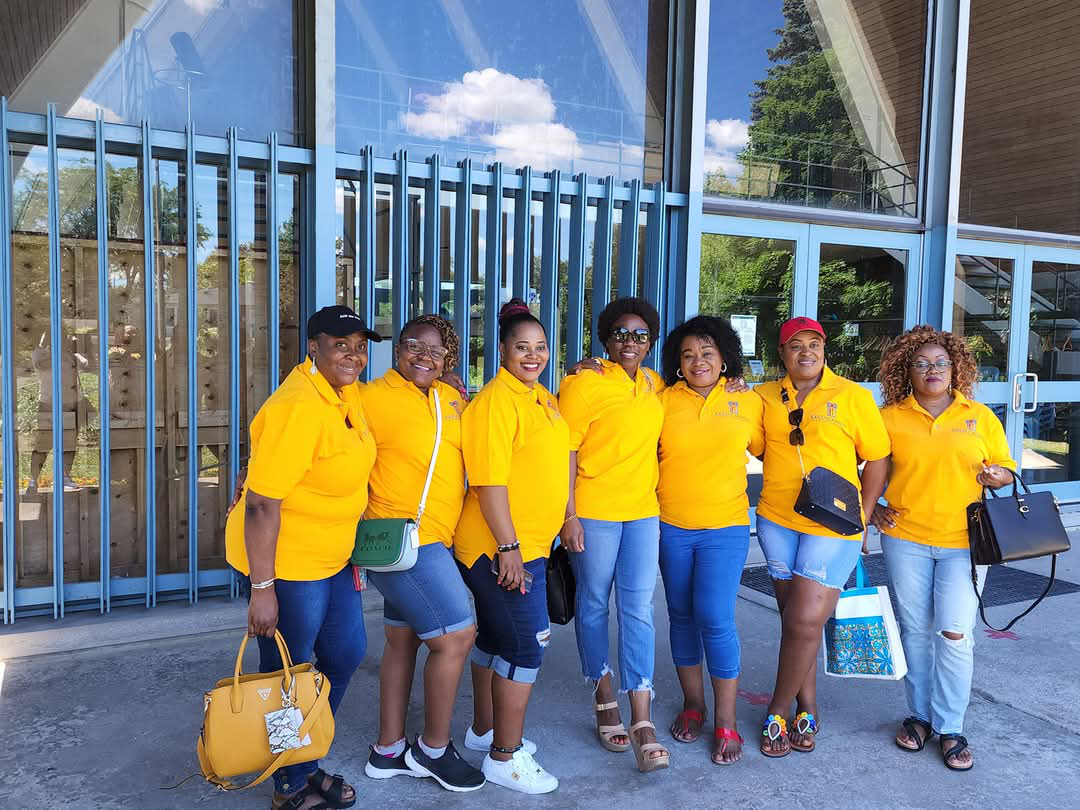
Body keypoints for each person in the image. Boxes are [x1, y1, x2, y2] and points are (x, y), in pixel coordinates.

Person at [224, 305, 379, 810]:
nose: (353, 355)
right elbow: (262, 504)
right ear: (313, 347)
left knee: (344, 654)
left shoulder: (344, 393)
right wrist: (262, 589)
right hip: (287, 563)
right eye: (340, 345)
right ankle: (288, 784)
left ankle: (305, 759)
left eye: (360, 346)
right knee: (288, 672)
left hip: (332, 556)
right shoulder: (299, 404)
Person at [871, 326, 1015, 772]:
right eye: (921, 364)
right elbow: (866, 467)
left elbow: (1007, 467)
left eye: (940, 363)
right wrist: (873, 508)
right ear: (906, 371)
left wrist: (998, 476)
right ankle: (919, 716)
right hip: (906, 539)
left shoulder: (980, 416)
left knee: (954, 634)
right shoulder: (890, 418)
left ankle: (950, 725)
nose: (932, 370)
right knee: (915, 631)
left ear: (955, 369)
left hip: (964, 543)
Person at [358, 314, 485, 792]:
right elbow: (323, 442)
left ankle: (388, 750)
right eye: (415, 346)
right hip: (400, 541)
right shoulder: (369, 398)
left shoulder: (451, 398)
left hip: (435, 538)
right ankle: (433, 750)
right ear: (398, 349)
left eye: (437, 351)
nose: (424, 357)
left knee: (402, 640)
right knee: (456, 637)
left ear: (448, 360)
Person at [754, 316, 890, 758]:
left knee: (804, 622)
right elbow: (754, 445)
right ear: (782, 353)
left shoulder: (852, 396)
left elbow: (878, 459)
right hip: (777, 520)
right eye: (795, 345)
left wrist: (863, 515)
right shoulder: (763, 396)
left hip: (834, 525)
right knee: (795, 621)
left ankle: (777, 711)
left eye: (814, 344)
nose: (806, 352)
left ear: (825, 349)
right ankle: (807, 707)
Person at [453, 298, 569, 794]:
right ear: (502, 350)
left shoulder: (540, 397)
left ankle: (484, 732)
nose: (533, 355)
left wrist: (566, 517)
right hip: (499, 548)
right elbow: (488, 483)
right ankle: (504, 756)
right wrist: (509, 547)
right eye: (522, 347)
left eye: (540, 347)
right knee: (526, 645)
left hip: (531, 544)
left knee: (497, 640)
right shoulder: (495, 402)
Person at [558, 296, 670, 773]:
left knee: (639, 607)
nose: (630, 342)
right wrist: (568, 515)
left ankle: (642, 716)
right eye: (621, 333)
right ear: (605, 338)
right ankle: (603, 693)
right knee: (593, 602)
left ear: (650, 342)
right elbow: (565, 451)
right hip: (595, 511)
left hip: (643, 512)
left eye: (640, 335)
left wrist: (734, 380)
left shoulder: (654, 383)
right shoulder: (583, 383)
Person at [656, 316, 765, 765]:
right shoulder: (662, 400)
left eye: (707, 352)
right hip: (671, 525)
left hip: (725, 526)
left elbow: (770, 448)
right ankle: (693, 704)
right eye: (688, 355)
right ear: (677, 363)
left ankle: (726, 720)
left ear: (724, 358)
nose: (698, 361)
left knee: (715, 617)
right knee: (681, 616)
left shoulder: (748, 401)